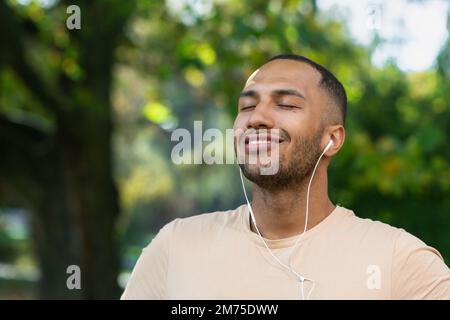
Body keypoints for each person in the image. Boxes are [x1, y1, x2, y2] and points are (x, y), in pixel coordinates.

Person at [121, 54, 450, 299]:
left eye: (287, 105)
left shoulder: (401, 262)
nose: (257, 118)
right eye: (247, 107)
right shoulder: (175, 247)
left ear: (331, 139)